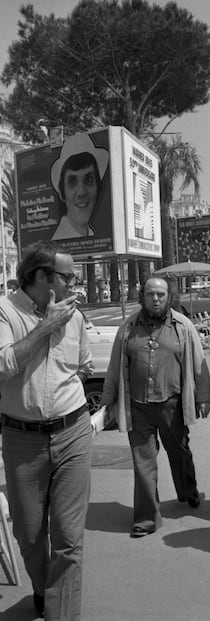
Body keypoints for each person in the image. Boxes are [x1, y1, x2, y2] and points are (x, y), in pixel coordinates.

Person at [0, 241, 93, 619]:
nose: (74, 283)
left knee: (70, 540)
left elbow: (83, 365)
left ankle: (61, 612)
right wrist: (45, 327)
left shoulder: (75, 316)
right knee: (30, 536)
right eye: (67, 276)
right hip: (23, 440)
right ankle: (44, 590)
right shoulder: (5, 312)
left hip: (73, 432)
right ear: (41, 277)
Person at [102, 276, 210, 538]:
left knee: (180, 452)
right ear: (143, 297)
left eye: (161, 295)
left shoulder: (183, 326)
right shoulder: (128, 328)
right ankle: (146, 519)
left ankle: (188, 490)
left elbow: (199, 362)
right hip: (138, 407)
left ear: (169, 297)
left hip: (172, 405)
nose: (155, 299)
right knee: (143, 464)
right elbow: (115, 366)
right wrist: (108, 400)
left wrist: (203, 396)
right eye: (150, 294)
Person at [50, 133, 109, 239]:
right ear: (62, 193)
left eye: (89, 179)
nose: (81, 192)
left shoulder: (91, 235)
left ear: (98, 188)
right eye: (72, 182)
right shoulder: (58, 246)